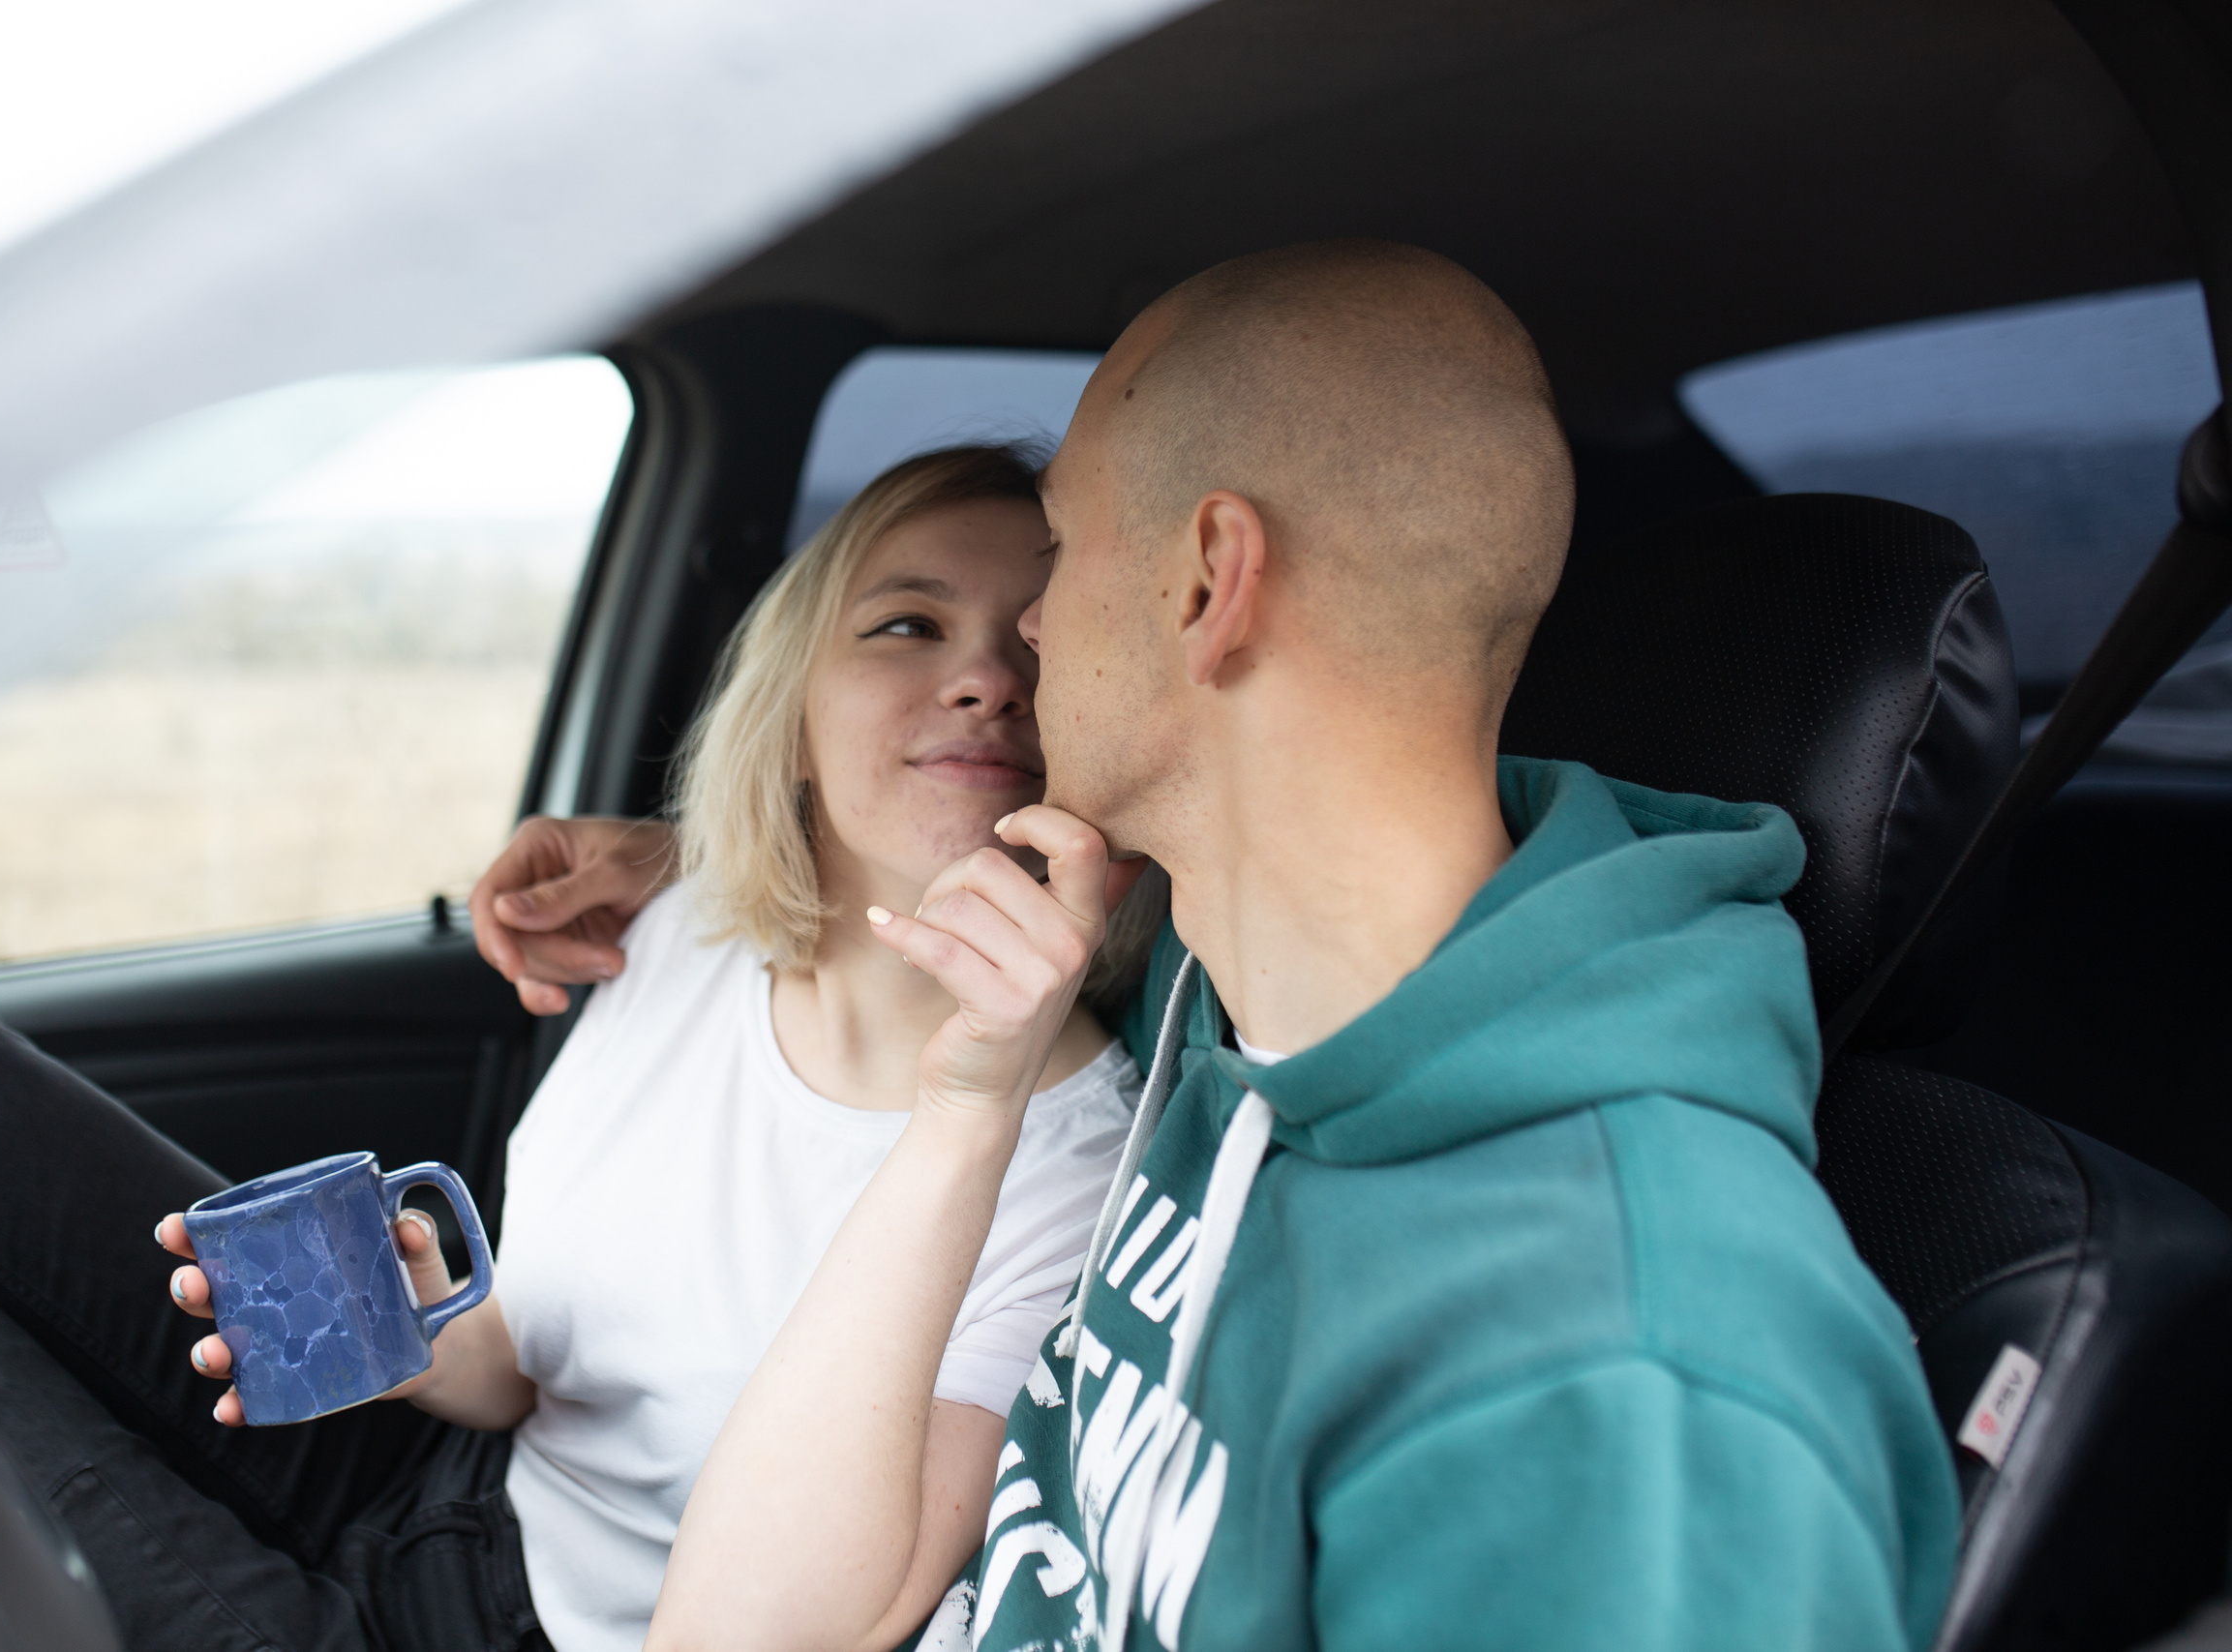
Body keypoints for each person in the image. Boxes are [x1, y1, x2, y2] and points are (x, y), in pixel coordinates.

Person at [485, 242, 1962, 1652]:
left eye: (1060, 544)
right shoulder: (1234, 1004)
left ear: (1208, 583)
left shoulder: (1626, 1375)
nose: (1023, 645)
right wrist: (692, 855)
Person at [0, 442, 1161, 1652]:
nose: (982, 677)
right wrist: (422, 1323)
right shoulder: (680, 934)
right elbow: (518, 1370)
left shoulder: (1076, 1160)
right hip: (443, 1477)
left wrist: (969, 1087)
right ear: (794, 711)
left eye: (1034, 639)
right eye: (907, 625)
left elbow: (847, 1615)